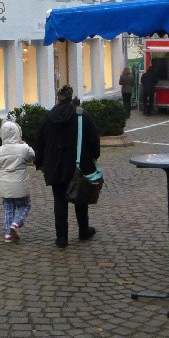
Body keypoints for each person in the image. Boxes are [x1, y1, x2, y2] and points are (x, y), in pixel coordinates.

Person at [35, 85, 100, 248]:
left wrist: (40, 163)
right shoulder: (81, 115)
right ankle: (83, 231)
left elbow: (39, 142)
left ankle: (61, 238)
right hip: (79, 164)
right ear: (71, 98)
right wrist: (94, 156)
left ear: (58, 99)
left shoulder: (48, 117)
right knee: (80, 197)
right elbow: (94, 139)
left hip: (55, 164)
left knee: (59, 199)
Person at [0, 120, 35, 243]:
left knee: (8, 208)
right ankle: (16, 224)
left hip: (5, 184)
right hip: (21, 183)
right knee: (25, 205)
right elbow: (32, 156)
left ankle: (8, 235)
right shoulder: (24, 148)